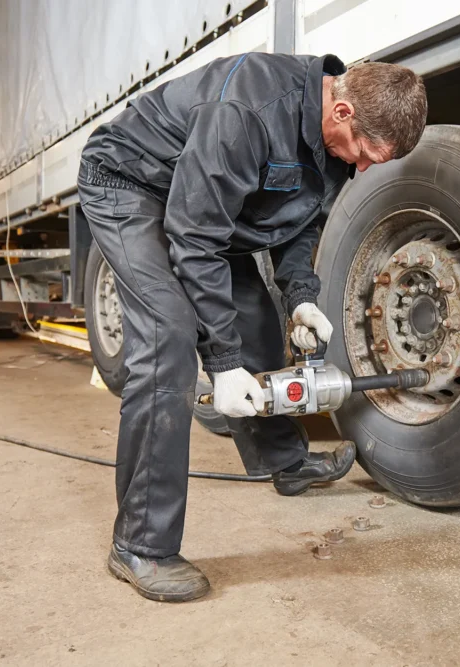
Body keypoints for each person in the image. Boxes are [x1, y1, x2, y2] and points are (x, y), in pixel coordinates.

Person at [77, 53, 428, 602]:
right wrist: (221, 365)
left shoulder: (330, 136)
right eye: (364, 155)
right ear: (341, 110)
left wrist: (301, 300)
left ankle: (282, 462)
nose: (361, 168)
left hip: (207, 205)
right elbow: (193, 238)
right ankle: (140, 546)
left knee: (257, 317)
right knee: (168, 336)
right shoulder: (248, 111)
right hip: (129, 183)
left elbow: (298, 223)